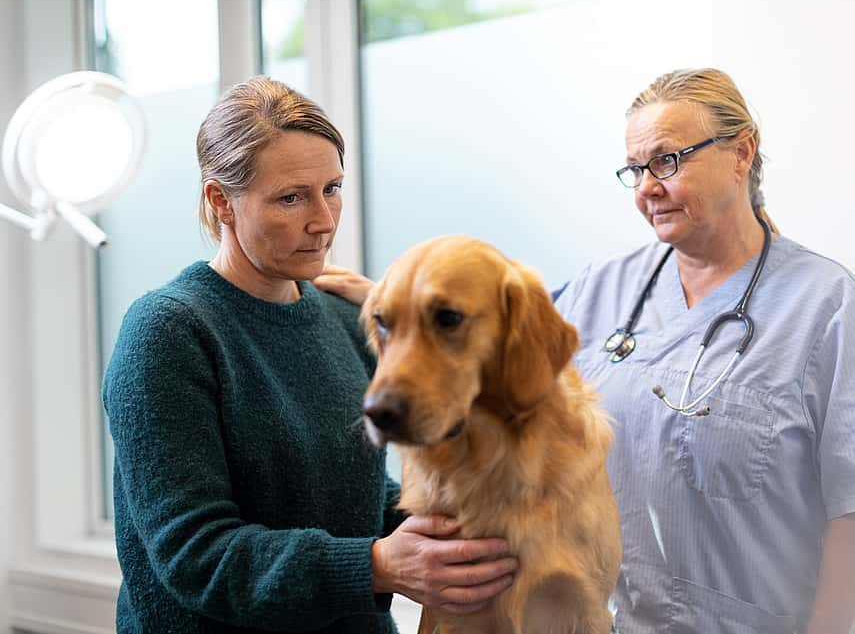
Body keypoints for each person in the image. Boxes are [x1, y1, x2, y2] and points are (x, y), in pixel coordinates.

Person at [318, 68, 855, 634]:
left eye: (667, 161)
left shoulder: (828, 308)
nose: (648, 185)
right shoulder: (606, 287)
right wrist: (381, 300)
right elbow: (483, 331)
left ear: (742, 153)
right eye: (635, 169)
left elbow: (850, 513)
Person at [102, 76, 517, 634]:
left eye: (333, 188)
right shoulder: (168, 332)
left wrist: (442, 528)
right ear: (220, 200)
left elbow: (355, 494)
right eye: (291, 198)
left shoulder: (347, 318)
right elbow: (195, 555)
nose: (322, 220)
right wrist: (377, 565)